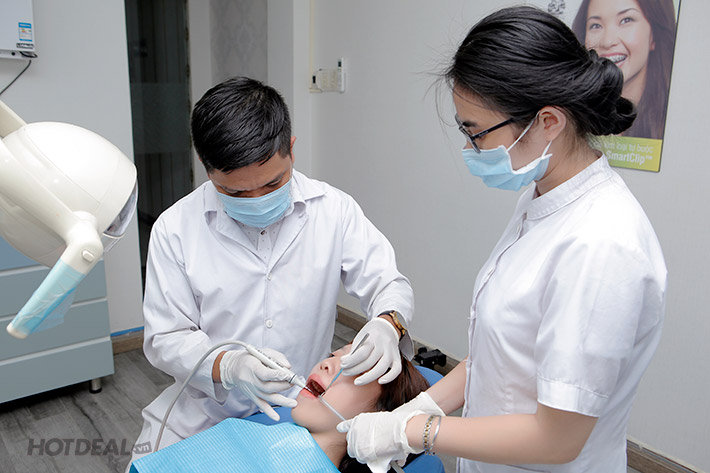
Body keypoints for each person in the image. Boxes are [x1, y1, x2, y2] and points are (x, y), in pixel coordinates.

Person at [338, 6, 667, 473]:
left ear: (548, 122)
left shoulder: (601, 245)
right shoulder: (543, 195)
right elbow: (503, 353)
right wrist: (421, 406)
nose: (469, 149)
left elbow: (558, 439)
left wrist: (413, 432)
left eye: (476, 133)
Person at [127, 77, 415, 468]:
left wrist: (386, 324)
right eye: (236, 193)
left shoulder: (334, 210)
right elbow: (166, 337)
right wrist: (229, 366)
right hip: (205, 416)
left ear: (291, 149)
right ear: (207, 169)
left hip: (296, 414)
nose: (257, 200)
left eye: (272, 183)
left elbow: (387, 283)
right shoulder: (175, 229)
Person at [130, 345, 432, 473]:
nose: (327, 363)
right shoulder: (243, 432)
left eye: (351, 369)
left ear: (380, 418)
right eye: (332, 354)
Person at [572, 0, 677, 140]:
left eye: (626, 20)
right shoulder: (571, 117)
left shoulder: (674, 119)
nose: (607, 42)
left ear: (654, 35)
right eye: (596, 25)